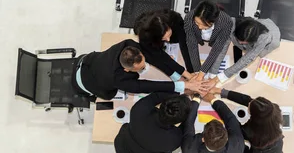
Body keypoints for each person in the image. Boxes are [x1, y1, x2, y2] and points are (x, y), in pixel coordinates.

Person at [71, 39, 203, 101]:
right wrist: (183, 85)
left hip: (87, 60)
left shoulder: (129, 45)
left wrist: (184, 75)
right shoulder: (119, 80)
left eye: (143, 62)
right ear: (127, 70)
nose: (145, 66)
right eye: (140, 68)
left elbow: (156, 56)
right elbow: (149, 86)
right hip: (85, 81)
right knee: (107, 94)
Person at [207, 87, 284, 153]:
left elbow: (232, 122)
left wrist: (213, 100)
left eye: (250, 106)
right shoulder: (273, 111)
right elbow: (250, 102)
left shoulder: (250, 131)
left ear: (255, 117)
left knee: (243, 148)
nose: (249, 103)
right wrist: (220, 91)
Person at [114, 92, 196, 153]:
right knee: (165, 152)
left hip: (122, 150)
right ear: (178, 121)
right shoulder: (173, 139)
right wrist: (195, 102)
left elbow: (156, 96)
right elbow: (187, 126)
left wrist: (180, 90)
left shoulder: (139, 110)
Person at [201, 17, 281, 89]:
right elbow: (221, 49)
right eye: (238, 39)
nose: (239, 42)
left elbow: (247, 59)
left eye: (244, 42)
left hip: (269, 42)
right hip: (253, 30)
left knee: (259, 54)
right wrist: (212, 74)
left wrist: (217, 79)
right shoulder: (231, 25)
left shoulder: (264, 38)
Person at [179, 92, 245, 153]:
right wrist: (213, 99)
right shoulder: (237, 146)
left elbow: (188, 123)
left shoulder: (189, 150)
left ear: (203, 139)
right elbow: (231, 119)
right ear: (227, 138)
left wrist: (196, 99)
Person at [133, 10, 195, 81]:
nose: (168, 40)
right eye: (163, 38)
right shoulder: (145, 37)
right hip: (151, 41)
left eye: (168, 35)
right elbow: (162, 58)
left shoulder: (175, 20)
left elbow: (185, 45)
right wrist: (178, 76)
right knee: (153, 57)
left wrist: (191, 72)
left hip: (175, 33)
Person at [183, 0, 234, 76]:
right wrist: (197, 71)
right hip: (199, 39)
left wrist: (202, 72)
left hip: (214, 40)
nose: (200, 27)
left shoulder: (227, 22)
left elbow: (217, 49)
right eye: (197, 23)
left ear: (213, 21)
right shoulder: (188, 18)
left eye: (204, 25)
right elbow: (192, 45)